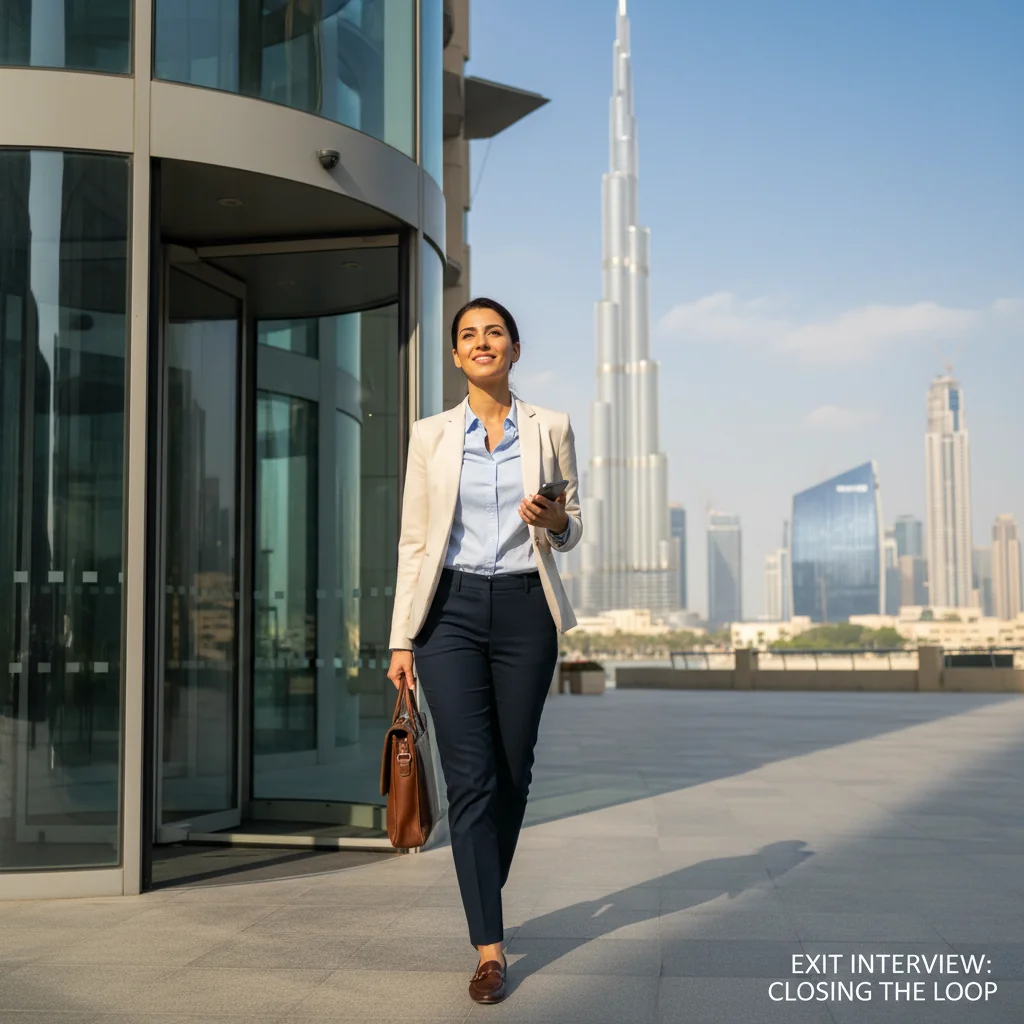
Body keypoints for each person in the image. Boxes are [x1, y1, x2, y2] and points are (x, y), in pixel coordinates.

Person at [387, 297, 582, 1004]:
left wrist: (556, 518)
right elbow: (414, 541)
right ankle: (489, 948)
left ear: (514, 348)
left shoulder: (550, 426)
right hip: (450, 613)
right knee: (471, 777)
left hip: (528, 608)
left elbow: (573, 526)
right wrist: (400, 638)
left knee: (513, 770)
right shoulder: (430, 435)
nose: (481, 342)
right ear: (455, 354)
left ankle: (479, 882)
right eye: (468, 335)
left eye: (493, 332)